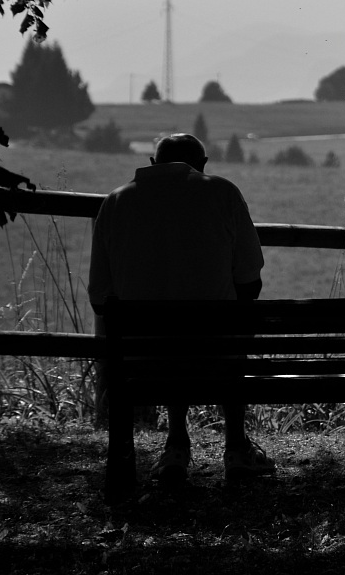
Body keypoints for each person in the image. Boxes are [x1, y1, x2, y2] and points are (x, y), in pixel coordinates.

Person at [88, 133, 274, 485]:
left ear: (152, 164)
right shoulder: (223, 193)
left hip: (142, 363)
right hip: (215, 355)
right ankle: (235, 447)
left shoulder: (116, 202)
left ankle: (176, 445)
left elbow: (100, 296)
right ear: (201, 165)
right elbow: (250, 279)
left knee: (169, 335)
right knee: (227, 326)